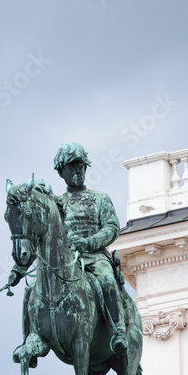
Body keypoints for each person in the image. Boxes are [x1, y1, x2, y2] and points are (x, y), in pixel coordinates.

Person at [52, 142, 128, 356]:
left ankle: (119, 331)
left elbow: (112, 227)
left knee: (107, 280)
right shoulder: (56, 204)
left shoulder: (100, 198)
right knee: (35, 288)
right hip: (66, 260)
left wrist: (89, 242)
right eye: (72, 167)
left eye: (81, 166)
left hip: (95, 257)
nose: (77, 170)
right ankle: (33, 336)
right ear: (61, 172)